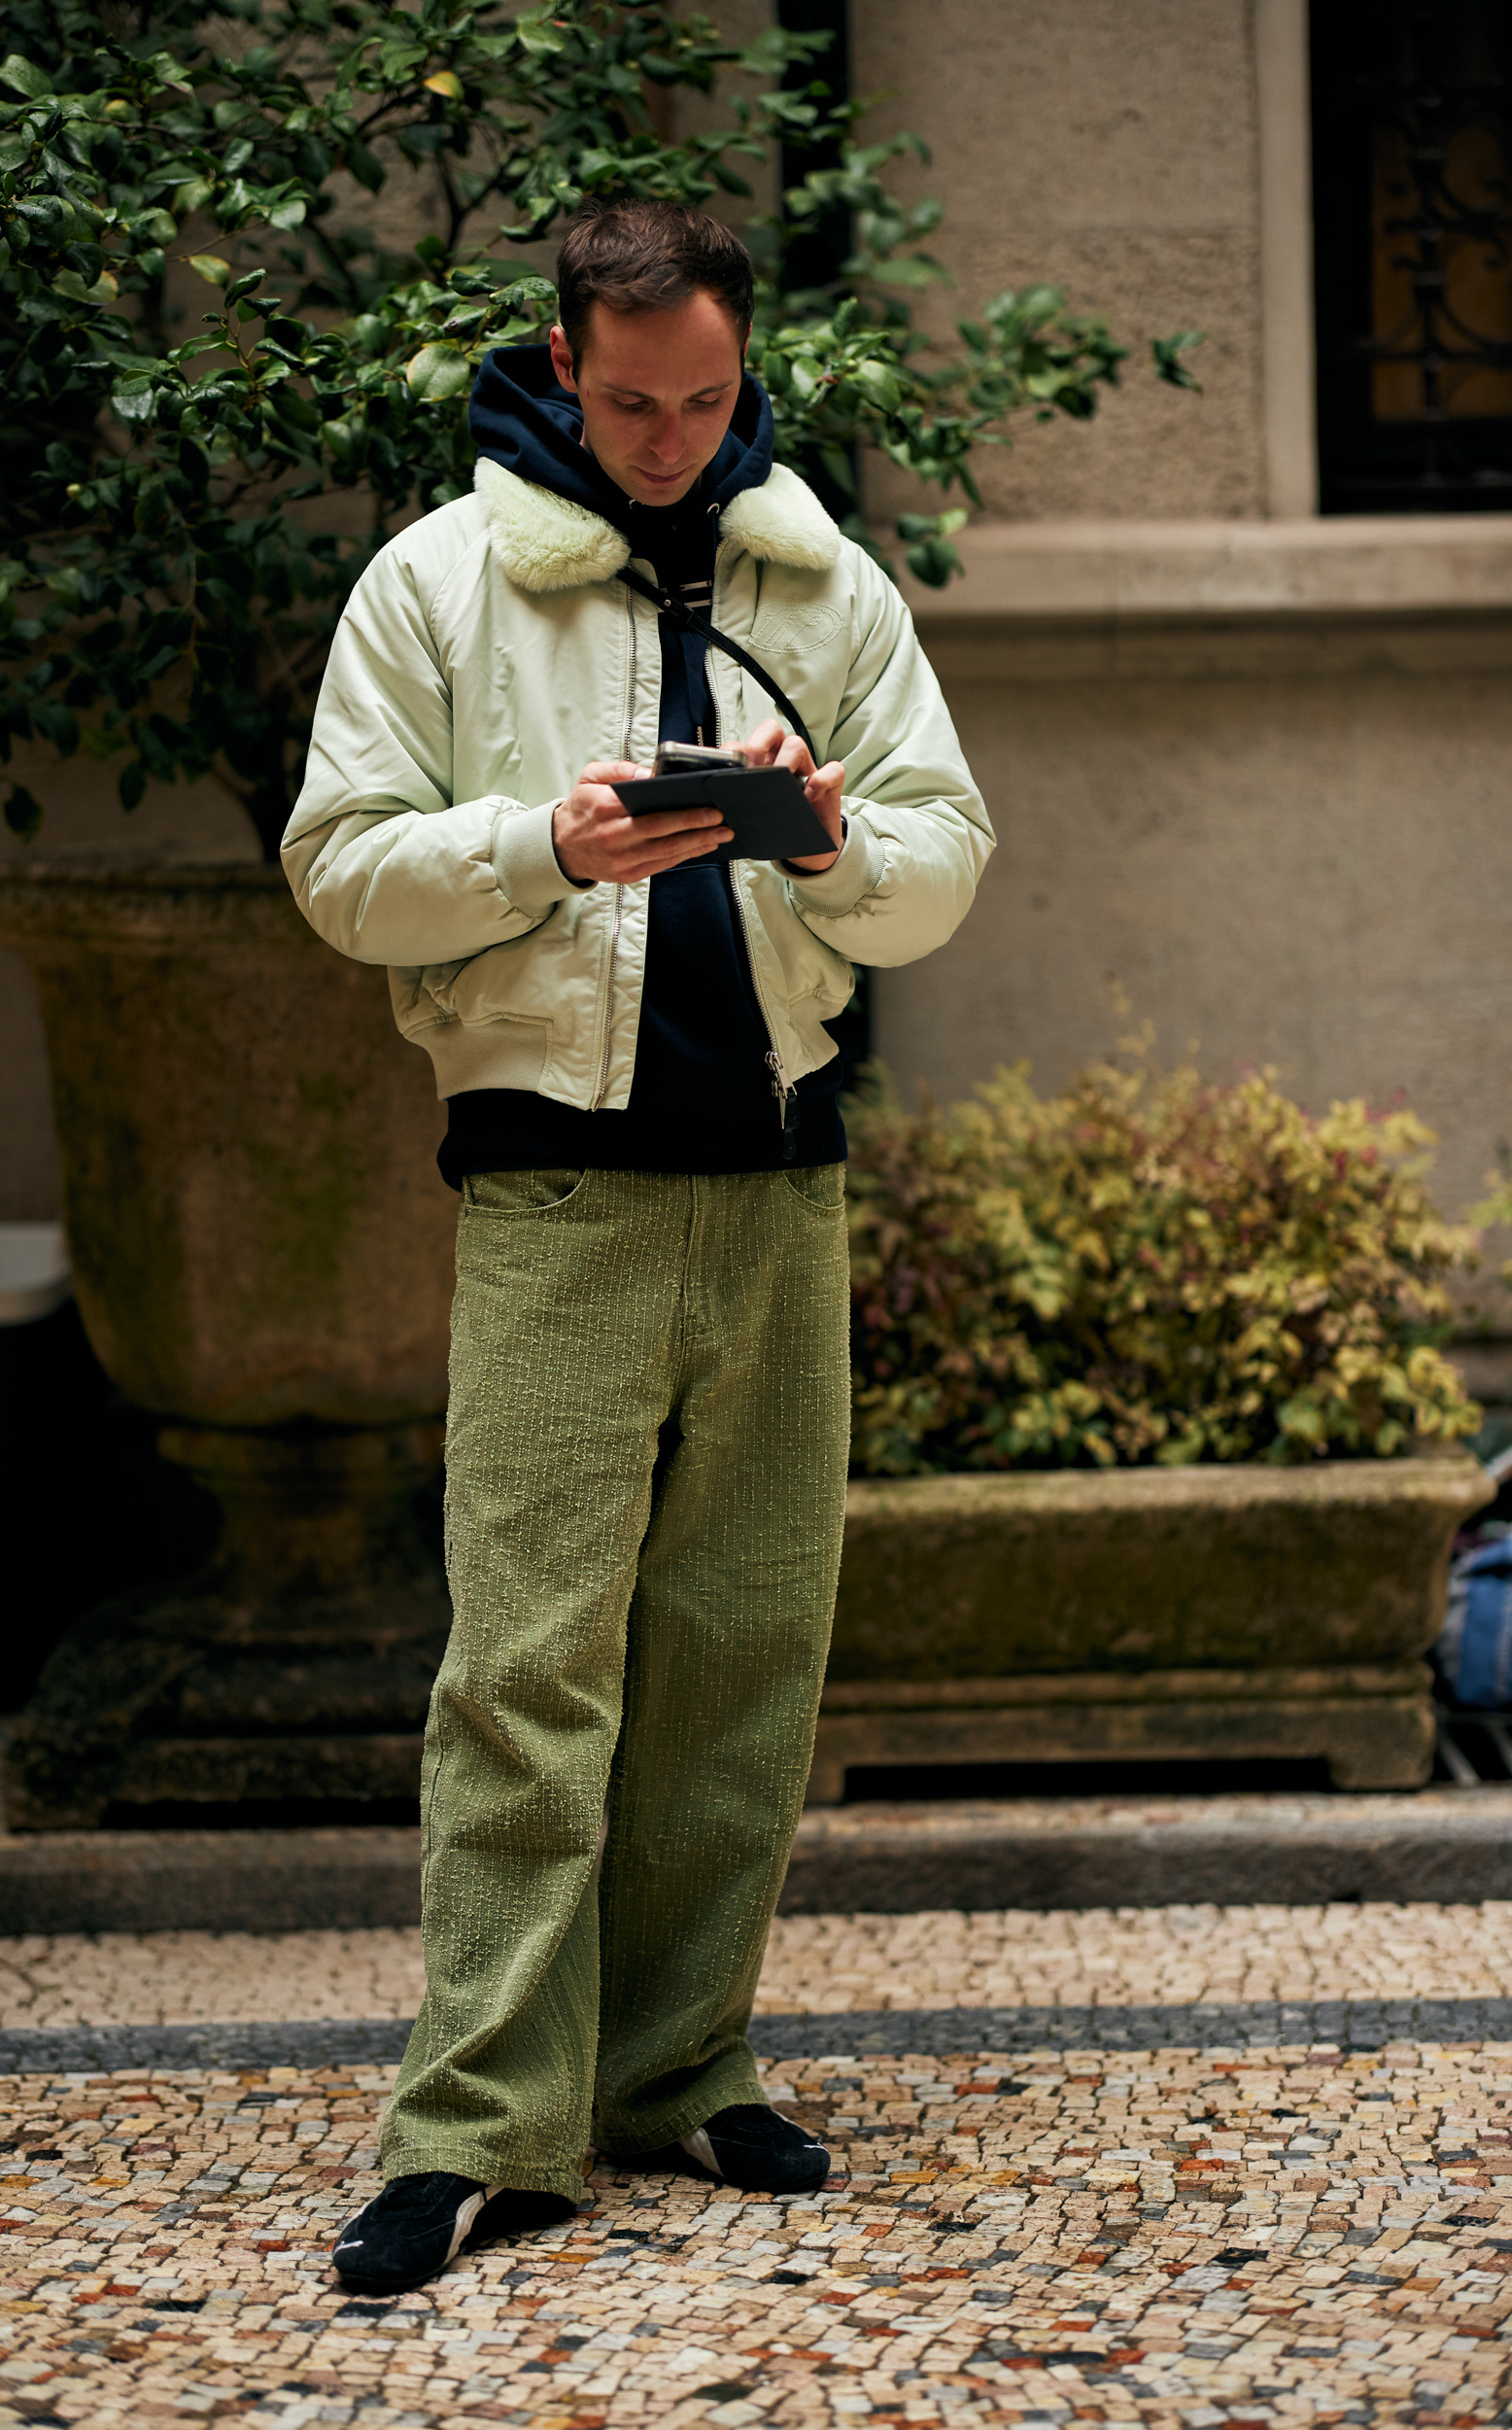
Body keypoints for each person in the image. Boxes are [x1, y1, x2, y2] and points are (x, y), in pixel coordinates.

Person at [282, 195, 993, 2294]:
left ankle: (680, 2065)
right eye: (631, 400)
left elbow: (948, 857)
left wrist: (839, 834)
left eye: (705, 397)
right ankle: (477, 2119)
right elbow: (337, 862)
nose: (673, 435)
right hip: (556, 1186)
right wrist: (547, 842)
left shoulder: (817, 574)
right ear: (563, 366)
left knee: (743, 1660)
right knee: (526, 1668)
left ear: (738, 364)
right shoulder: (438, 580)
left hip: (776, 1174)